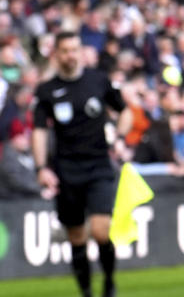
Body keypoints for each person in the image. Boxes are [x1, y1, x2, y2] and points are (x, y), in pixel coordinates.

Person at [32, 31, 131, 297]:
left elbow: (125, 111)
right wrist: (41, 167)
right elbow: (39, 132)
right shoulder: (46, 91)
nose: (71, 55)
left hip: (99, 165)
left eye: (75, 49)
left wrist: (119, 138)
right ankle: (86, 292)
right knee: (76, 236)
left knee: (100, 230)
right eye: (65, 50)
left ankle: (109, 284)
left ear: (81, 51)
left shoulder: (98, 81)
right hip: (66, 171)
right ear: (56, 55)